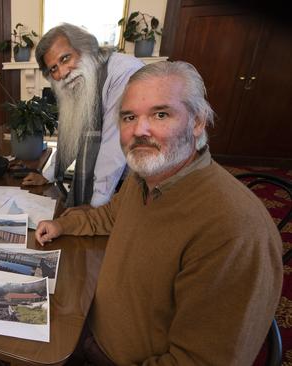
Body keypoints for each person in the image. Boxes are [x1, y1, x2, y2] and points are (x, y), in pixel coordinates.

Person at [35, 61, 283, 364]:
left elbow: (200, 361)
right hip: (91, 332)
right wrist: (63, 224)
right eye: (129, 117)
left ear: (197, 122)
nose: (140, 130)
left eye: (161, 114)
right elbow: (111, 216)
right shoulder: (145, 179)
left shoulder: (234, 229)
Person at [25, 24, 144, 209]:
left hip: (135, 180)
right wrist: (48, 175)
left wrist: (95, 208)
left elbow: (114, 145)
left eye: (65, 58)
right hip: (111, 182)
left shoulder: (123, 72)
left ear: (86, 48)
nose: (62, 73)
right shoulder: (82, 79)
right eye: (53, 69)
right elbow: (72, 136)